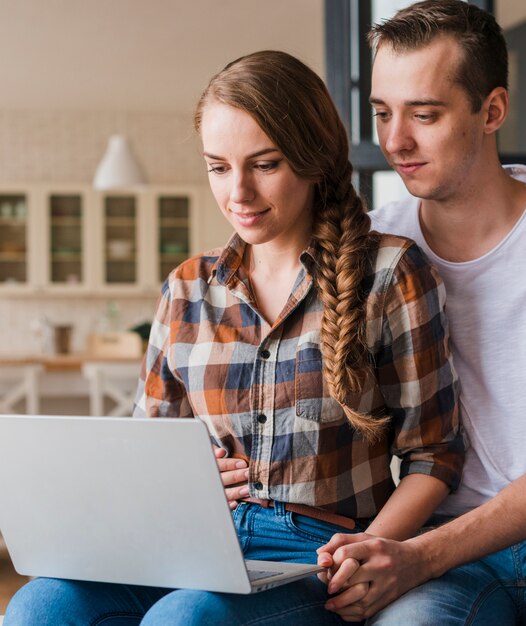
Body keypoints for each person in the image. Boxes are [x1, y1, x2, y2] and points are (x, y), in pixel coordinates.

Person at [4, 50, 463, 625]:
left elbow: (435, 453)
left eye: (264, 164)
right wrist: (184, 474)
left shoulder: (390, 274)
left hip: (317, 553)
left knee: (182, 620)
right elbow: (147, 453)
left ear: (314, 159)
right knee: (38, 606)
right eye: (218, 167)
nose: (238, 192)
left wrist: (375, 551)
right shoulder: (187, 288)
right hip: (188, 543)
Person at [305, 1, 526, 624]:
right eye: (381, 113)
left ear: (492, 111)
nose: (395, 140)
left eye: (424, 114)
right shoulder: (369, 250)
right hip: (426, 527)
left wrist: (419, 559)